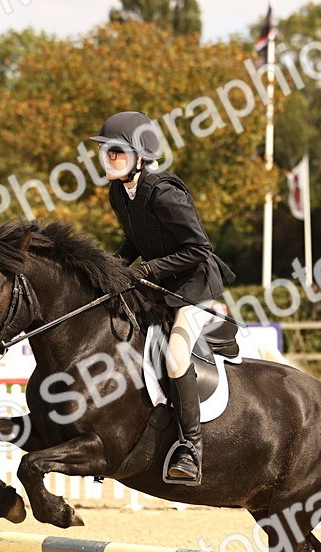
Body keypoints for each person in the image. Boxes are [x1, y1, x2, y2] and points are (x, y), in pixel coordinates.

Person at [92, 111, 236, 485]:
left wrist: (146, 270)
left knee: (174, 359)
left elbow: (199, 248)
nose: (108, 158)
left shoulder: (165, 193)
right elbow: (133, 242)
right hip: (160, 285)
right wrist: (113, 267)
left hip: (193, 289)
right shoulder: (119, 193)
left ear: (139, 157)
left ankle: (191, 449)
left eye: (116, 152)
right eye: (106, 152)